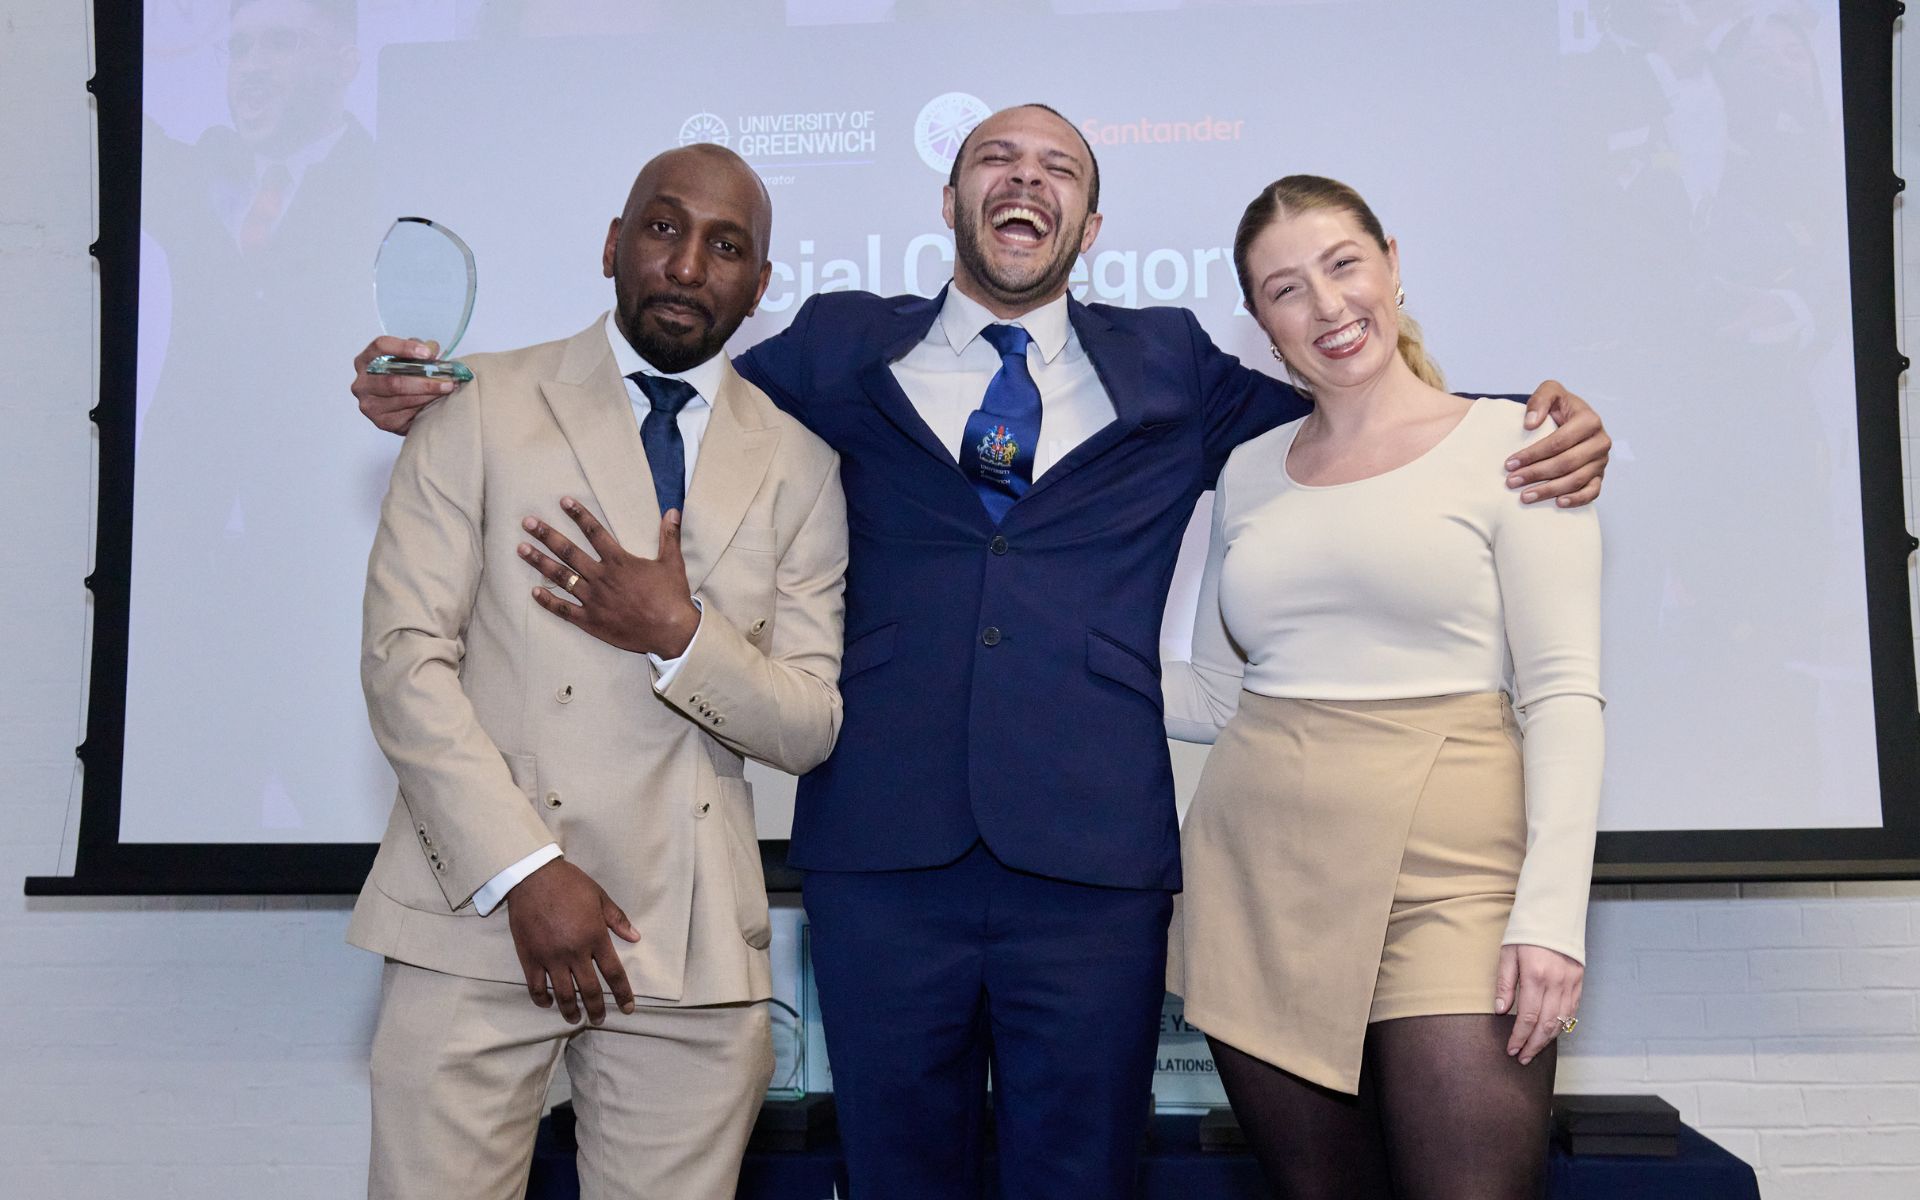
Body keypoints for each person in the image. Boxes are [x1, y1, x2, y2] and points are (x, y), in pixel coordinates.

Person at [352, 104, 1612, 1199]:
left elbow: (1360, 406)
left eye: (1059, 166)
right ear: (949, 200)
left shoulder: (1172, 362)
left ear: (1092, 222)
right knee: (900, 1174)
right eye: (997, 159)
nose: (1027, 179)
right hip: (882, 858)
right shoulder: (837, 349)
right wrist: (448, 387)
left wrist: (1525, 417)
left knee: (1081, 1175)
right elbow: (658, 371)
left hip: (1095, 865)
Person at [348, 143, 848, 1200]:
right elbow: (404, 661)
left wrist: (680, 632)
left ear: (759, 289)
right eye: (664, 229)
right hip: (475, 911)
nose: (687, 264)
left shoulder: (801, 463)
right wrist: (527, 871)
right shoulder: (478, 403)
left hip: (690, 943)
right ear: (615, 245)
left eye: (726, 247)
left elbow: (809, 723)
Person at [1161, 175, 1603, 1200]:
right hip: (1257, 877)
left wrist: (1550, 917)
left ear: (1393, 265)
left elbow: (1564, 694)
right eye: (1284, 290)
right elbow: (1217, 699)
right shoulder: (1250, 470)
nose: (1326, 307)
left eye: (1343, 265)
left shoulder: (1517, 443)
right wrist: (1033, 666)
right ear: (1262, 325)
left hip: (1455, 875)